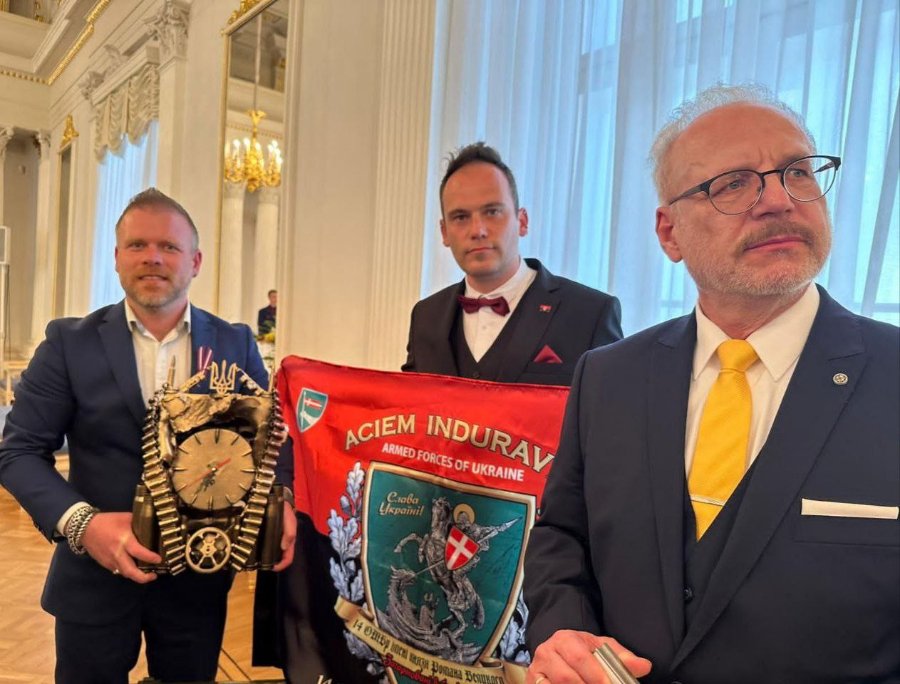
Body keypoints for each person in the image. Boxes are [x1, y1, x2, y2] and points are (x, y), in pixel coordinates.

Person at [523, 84, 899, 683]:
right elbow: (562, 536)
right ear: (669, 233)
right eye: (733, 184)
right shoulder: (608, 377)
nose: (778, 200)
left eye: (798, 172)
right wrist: (562, 630)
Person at [0, 188, 297, 683]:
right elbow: (19, 452)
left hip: (200, 576)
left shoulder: (234, 342)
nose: (153, 257)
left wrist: (280, 497)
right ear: (117, 257)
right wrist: (83, 525)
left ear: (195, 262)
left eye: (169, 247)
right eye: (137, 245)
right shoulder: (68, 343)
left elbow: (271, 436)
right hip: (93, 577)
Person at [402, 142, 622, 386]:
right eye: (461, 217)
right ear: (444, 232)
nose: (477, 230)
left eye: (492, 212)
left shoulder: (589, 314)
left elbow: (612, 406)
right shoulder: (425, 317)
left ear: (522, 221)